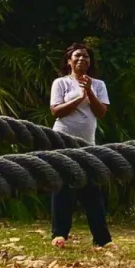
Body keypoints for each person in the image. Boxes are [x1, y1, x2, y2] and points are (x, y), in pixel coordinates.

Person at [49, 43, 113, 249]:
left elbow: (101, 113)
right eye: (77, 56)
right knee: (62, 187)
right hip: (62, 141)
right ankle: (59, 234)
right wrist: (79, 97)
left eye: (86, 56)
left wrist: (90, 93)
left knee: (91, 190)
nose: (82, 59)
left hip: (87, 144)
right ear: (69, 61)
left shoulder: (98, 85)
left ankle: (102, 240)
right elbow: (56, 111)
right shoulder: (61, 83)